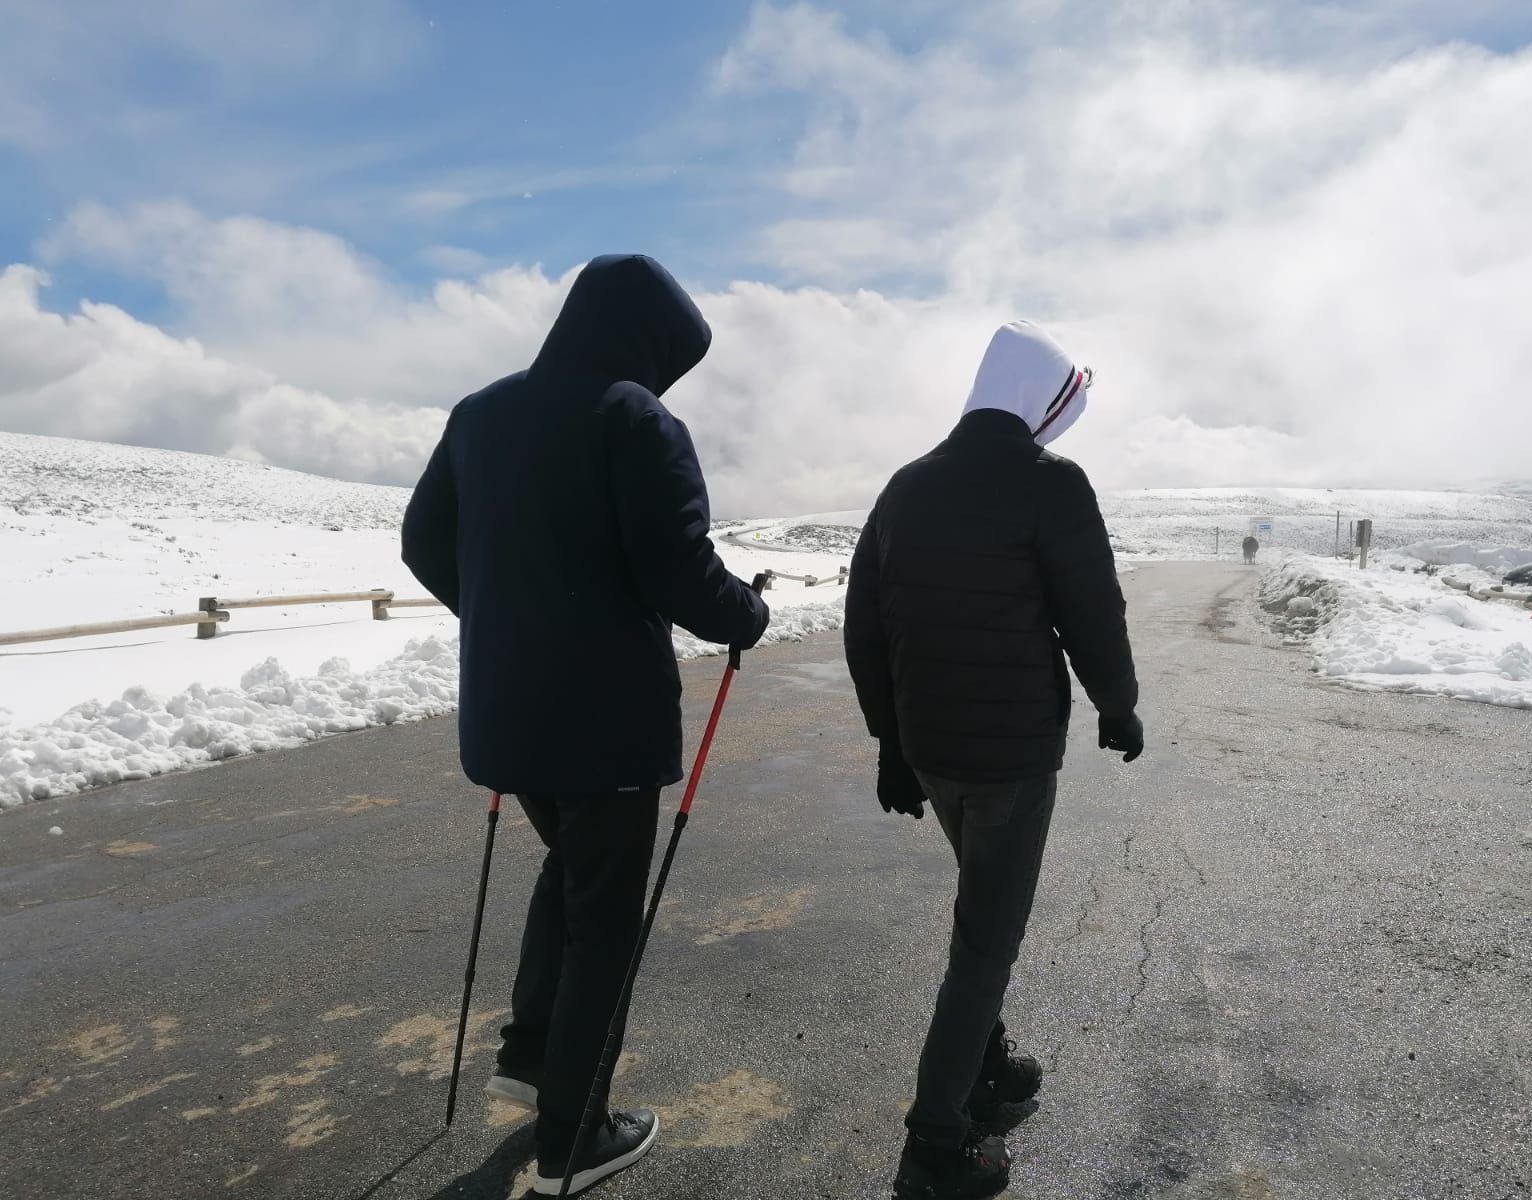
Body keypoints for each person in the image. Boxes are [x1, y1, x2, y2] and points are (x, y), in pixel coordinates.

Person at [401, 254, 769, 1196]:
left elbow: (422, 542)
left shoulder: (480, 412)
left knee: (571, 869)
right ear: (647, 340)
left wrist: (501, 618)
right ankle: (575, 1135)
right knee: (604, 916)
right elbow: (679, 569)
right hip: (606, 719)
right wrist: (746, 616)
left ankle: (532, 1049)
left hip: (506, 711)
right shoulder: (633, 418)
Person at [844, 321, 1142, 1200]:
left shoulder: (906, 487)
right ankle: (935, 1144)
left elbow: (866, 628)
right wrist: (1117, 705)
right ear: (1038, 400)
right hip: (1010, 760)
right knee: (984, 945)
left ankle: (988, 1066)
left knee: (982, 912)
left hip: (933, 754)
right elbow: (1093, 607)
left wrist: (890, 749)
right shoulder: (1049, 485)